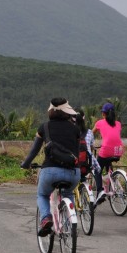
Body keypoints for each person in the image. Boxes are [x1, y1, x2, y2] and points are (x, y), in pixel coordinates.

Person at [20, 98, 81, 237]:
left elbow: (34, 151)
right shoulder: (75, 129)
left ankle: (46, 218)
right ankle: (71, 223)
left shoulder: (44, 127)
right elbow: (77, 153)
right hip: (73, 172)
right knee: (68, 193)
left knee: (42, 194)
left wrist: (26, 164)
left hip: (50, 171)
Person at [91, 102, 124, 204]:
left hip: (106, 150)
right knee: (108, 162)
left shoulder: (100, 123)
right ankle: (112, 179)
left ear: (104, 114)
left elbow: (91, 133)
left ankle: (100, 191)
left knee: (97, 169)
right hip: (118, 150)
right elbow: (115, 137)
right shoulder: (118, 123)